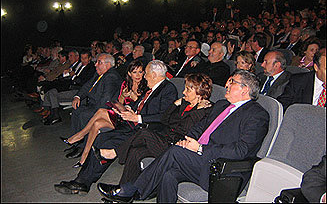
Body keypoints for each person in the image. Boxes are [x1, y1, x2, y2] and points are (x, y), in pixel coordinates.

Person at [99, 69, 269, 203]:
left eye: (232, 82)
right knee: (169, 175)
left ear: (244, 90)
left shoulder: (257, 115)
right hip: (196, 158)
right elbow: (200, 127)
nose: (226, 84)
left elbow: (241, 151)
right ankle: (132, 190)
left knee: (174, 153)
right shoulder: (222, 105)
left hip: (219, 168)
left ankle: (132, 190)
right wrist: (187, 141)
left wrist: (201, 148)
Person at [54, 60, 178, 195]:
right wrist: (128, 109)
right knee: (101, 138)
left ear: (154, 75)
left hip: (146, 130)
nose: (144, 76)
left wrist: (138, 118)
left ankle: (81, 182)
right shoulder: (151, 89)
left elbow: (165, 116)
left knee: (107, 142)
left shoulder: (168, 89)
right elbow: (139, 104)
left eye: (146, 73)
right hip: (132, 126)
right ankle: (82, 181)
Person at [96, 73, 213, 186]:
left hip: (175, 147)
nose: (183, 92)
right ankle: (123, 191)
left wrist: (197, 110)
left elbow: (186, 130)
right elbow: (164, 119)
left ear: (199, 92)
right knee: (135, 152)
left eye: (188, 90)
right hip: (164, 138)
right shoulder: (183, 103)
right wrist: (175, 104)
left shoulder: (206, 110)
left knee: (144, 133)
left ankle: (114, 152)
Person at [60, 60, 147, 167]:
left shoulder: (145, 87)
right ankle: (84, 158)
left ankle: (80, 135)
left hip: (131, 122)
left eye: (140, 72)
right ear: (129, 73)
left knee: (101, 111)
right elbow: (119, 102)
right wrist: (124, 96)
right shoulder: (126, 84)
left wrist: (134, 97)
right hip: (120, 116)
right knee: (97, 124)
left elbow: (142, 109)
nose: (138, 75)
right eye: (135, 72)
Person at [64, 53, 123, 159]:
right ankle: (76, 143)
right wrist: (78, 96)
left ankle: (82, 148)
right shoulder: (99, 74)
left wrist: (92, 110)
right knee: (77, 111)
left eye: (99, 62)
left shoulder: (111, 76)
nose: (95, 64)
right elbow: (86, 86)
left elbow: (106, 99)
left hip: (105, 109)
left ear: (108, 64)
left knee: (84, 115)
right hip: (93, 104)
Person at [41, 50, 96, 125]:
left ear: (89, 58)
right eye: (82, 58)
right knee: (51, 90)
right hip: (71, 86)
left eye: (85, 58)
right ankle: (51, 112)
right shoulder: (81, 65)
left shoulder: (91, 68)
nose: (83, 60)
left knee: (52, 93)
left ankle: (55, 115)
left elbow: (83, 82)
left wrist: (73, 76)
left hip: (78, 90)